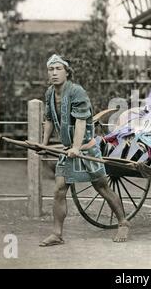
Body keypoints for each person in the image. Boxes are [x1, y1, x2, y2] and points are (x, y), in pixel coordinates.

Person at [39, 54, 130, 246]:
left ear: (67, 72)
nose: (54, 73)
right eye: (51, 69)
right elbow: (48, 119)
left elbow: (81, 122)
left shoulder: (76, 92)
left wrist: (76, 147)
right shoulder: (49, 93)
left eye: (58, 69)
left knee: (102, 187)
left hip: (87, 149)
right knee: (59, 190)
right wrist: (44, 144)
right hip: (68, 150)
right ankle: (57, 234)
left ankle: (123, 222)